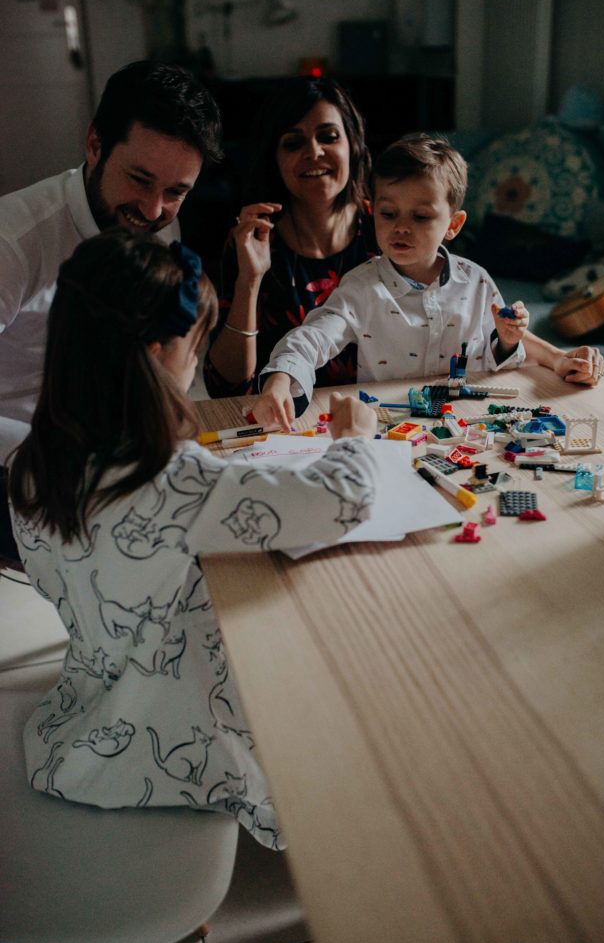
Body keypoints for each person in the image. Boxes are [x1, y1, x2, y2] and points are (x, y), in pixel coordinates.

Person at [8, 228, 378, 848]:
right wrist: (355, 436)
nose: (195, 361)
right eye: (194, 346)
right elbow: (347, 499)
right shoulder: (172, 482)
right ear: (157, 352)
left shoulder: (35, 462)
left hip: (90, 701)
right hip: (176, 733)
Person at [0, 59, 223, 564]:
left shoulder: (160, 223)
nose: (152, 211)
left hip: (119, 449)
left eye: (176, 192)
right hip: (20, 467)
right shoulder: (12, 242)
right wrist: (62, 456)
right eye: (140, 181)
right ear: (94, 144)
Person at [252, 134, 604, 430]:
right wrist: (282, 377)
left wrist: (521, 346)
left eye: (420, 216)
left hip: (468, 424)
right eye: (389, 214)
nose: (401, 227)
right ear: (373, 212)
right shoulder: (361, 287)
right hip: (389, 424)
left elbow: (502, 342)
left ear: (453, 225)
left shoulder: (476, 281)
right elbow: (315, 335)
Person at [204, 75, 378, 398]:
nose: (314, 152)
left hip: (381, 417)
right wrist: (250, 280)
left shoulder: (385, 227)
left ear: (353, 145)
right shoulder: (253, 237)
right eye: (293, 143)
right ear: (275, 158)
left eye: (328, 136)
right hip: (287, 428)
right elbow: (225, 387)